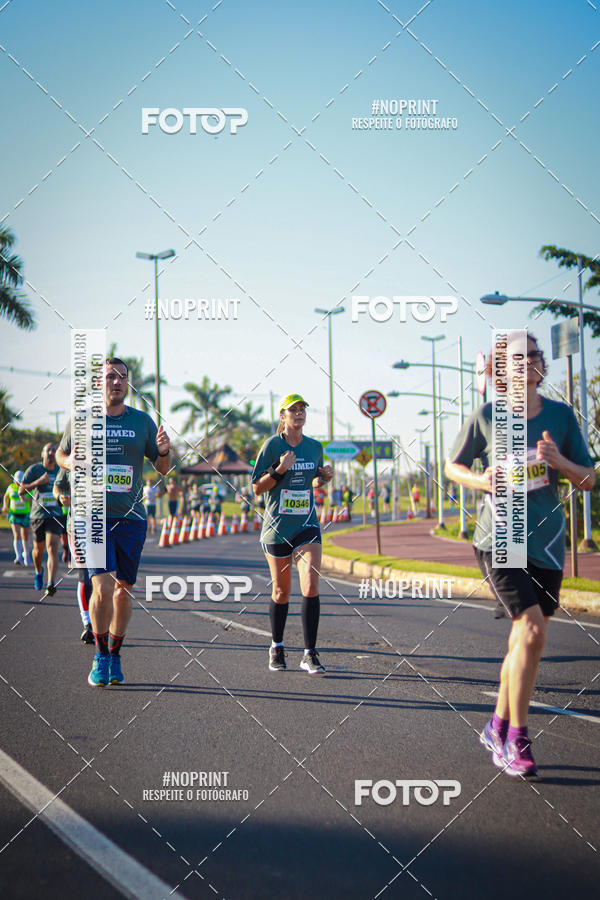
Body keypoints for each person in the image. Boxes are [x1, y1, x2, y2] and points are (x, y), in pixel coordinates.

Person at [445, 332, 595, 777]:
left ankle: (496, 723)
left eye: (532, 355)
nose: (525, 362)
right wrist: (483, 479)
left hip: (547, 541)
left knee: (522, 641)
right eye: (514, 358)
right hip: (501, 536)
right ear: (500, 368)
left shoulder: (562, 416)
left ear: (540, 364)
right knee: (530, 633)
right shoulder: (488, 416)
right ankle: (516, 738)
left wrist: (558, 461)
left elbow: (588, 479)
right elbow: (454, 466)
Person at [56, 357, 172, 687]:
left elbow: (163, 468)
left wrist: (164, 451)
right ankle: (100, 655)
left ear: (128, 384)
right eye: (110, 377)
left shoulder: (142, 422)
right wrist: (70, 462)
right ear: (99, 383)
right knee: (102, 586)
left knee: (123, 594)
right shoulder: (82, 419)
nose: (117, 382)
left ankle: (115, 655)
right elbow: (61, 456)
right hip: (90, 515)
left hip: (131, 518)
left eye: (122, 377)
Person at [252, 394, 333, 675]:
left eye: (302, 410)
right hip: (277, 527)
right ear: (282, 416)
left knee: (310, 585)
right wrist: (279, 469)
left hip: (307, 524)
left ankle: (310, 653)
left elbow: (312, 481)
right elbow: (257, 488)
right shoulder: (272, 445)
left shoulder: (314, 447)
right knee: (281, 591)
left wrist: (324, 477)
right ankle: (277, 645)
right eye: (293, 410)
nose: (299, 414)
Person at [53, 466, 95, 643]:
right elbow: (58, 487)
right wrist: (60, 497)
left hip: (104, 526)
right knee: (84, 575)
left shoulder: (109, 452)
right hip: (77, 526)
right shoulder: (69, 460)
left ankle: (99, 621)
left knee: (101, 579)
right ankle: (88, 624)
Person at [20, 443, 65, 594]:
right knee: (38, 551)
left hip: (55, 514)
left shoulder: (61, 470)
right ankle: (39, 571)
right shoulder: (34, 469)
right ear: (42, 453)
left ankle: (51, 583)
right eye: (48, 450)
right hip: (38, 515)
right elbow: (21, 491)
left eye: (54, 450)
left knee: (52, 546)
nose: (51, 453)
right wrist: (38, 482)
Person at [3, 471, 32, 566]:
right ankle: (18, 556)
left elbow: (33, 498)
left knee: (25, 536)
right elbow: (6, 496)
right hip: (14, 514)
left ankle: (26, 555)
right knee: (16, 534)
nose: (18, 483)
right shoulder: (11, 487)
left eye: (20, 481)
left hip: (25, 514)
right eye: (17, 481)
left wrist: (25, 499)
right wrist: (5, 506)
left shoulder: (27, 487)